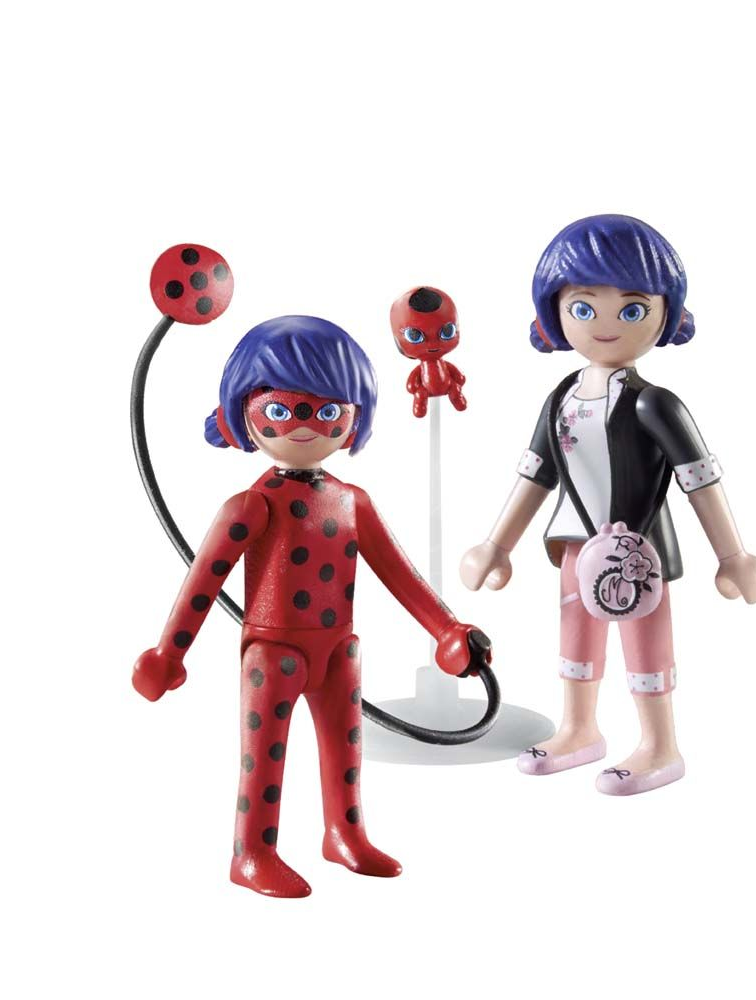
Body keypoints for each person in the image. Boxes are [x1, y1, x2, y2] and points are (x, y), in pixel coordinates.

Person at [134, 315, 492, 897]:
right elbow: (202, 582)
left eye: (326, 411)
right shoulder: (250, 505)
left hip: (338, 649)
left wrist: (447, 629)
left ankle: (344, 833)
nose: (303, 424)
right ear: (242, 412)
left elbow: (400, 575)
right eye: (281, 409)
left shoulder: (352, 502)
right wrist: (167, 654)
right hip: (273, 652)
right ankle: (252, 852)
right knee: (263, 758)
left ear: (353, 416)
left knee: (345, 750)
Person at [460, 215, 756, 796]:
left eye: (631, 310)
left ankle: (660, 744)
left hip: (637, 550)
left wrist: (734, 556)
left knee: (645, 640)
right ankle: (579, 729)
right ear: (554, 313)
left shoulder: (656, 404)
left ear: (666, 315)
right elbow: (536, 473)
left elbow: (700, 480)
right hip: (575, 545)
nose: (604, 325)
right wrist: (496, 545)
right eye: (583, 307)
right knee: (575, 634)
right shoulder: (561, 398)